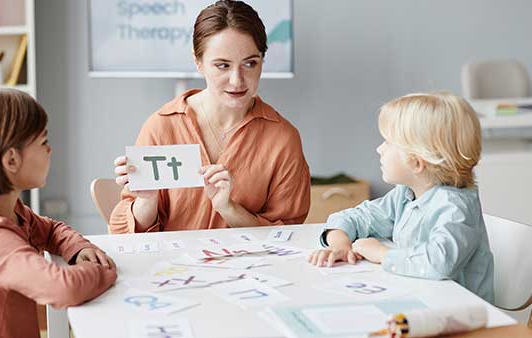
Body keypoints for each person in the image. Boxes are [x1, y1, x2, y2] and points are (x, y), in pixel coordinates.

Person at [110, 0, 310, 233]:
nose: (237, 80)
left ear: (262, 61)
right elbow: (125, 236)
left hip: (250, 267)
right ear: (198, 62)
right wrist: (146, 200)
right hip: (172, 266)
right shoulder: (162, 126)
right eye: (222, 66)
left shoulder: (283, 139)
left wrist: (228, 209)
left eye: (250, 63)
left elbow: (288, 233)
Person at [0, 89, 117, 338]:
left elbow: (51, 229)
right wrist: (104, 271)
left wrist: (77, 248)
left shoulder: (9, 211)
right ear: (11, 160)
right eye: (43, 142)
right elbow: (62, 288)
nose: (50, 150)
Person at [308, 92, 494, 302]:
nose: (379, 149)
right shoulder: (406, 194)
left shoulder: (455, 208)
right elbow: (359, 216)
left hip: (459, 314)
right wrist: (339, 244)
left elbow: (439, 263)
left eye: (387, 142)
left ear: (416, 162)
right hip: (419, 298)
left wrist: (382, 254)